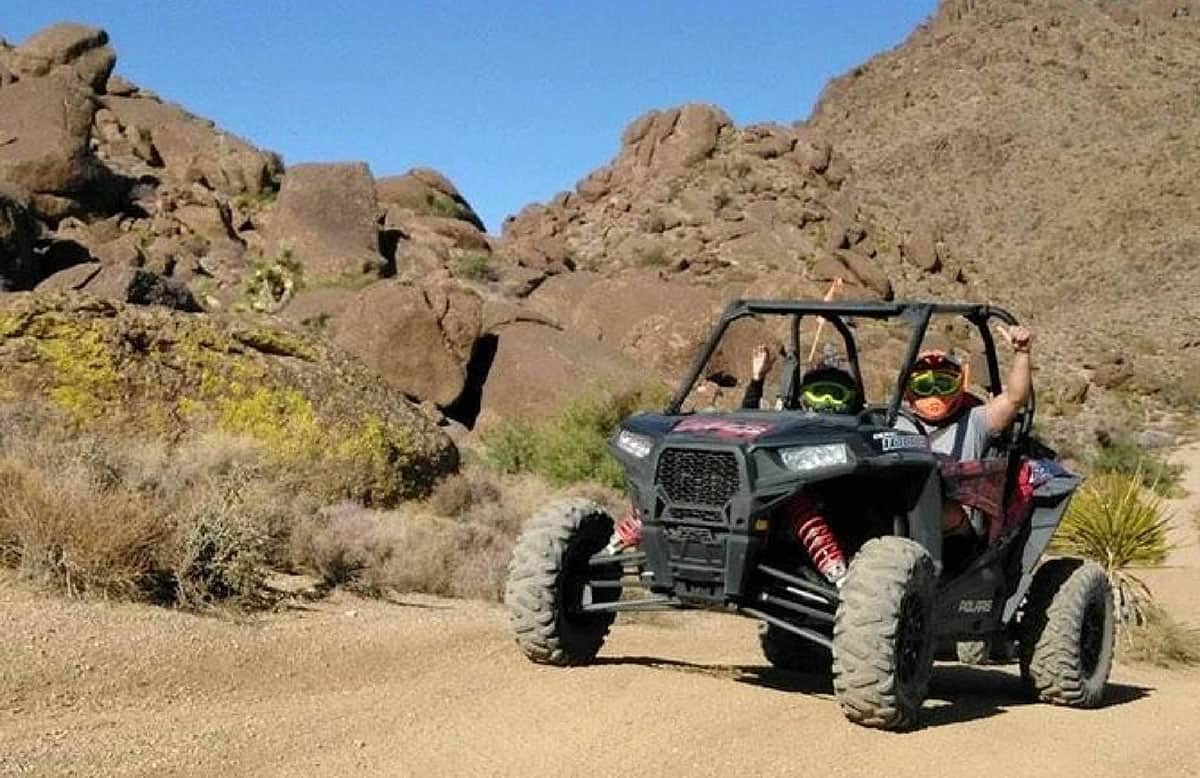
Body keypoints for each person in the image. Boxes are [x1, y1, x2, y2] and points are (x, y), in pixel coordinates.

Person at [896, 324, 1034, 533]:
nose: (935, 393)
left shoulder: (975, 419)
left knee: (930, 511)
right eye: (924, 385)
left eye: (944, 384)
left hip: (954, 527)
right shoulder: (895, 421)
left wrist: (1022, 353)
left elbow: (1015, 399)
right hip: (898, 513)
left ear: (959, 384)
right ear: (908, 389)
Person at [741, 344, 861, 414]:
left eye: (836, 394)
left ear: (848, 397)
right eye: (818, 393)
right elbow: (746, 424)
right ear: (805, 396)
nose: (827, 400)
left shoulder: (859, 424)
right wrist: (757, 380)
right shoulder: (791, 422)